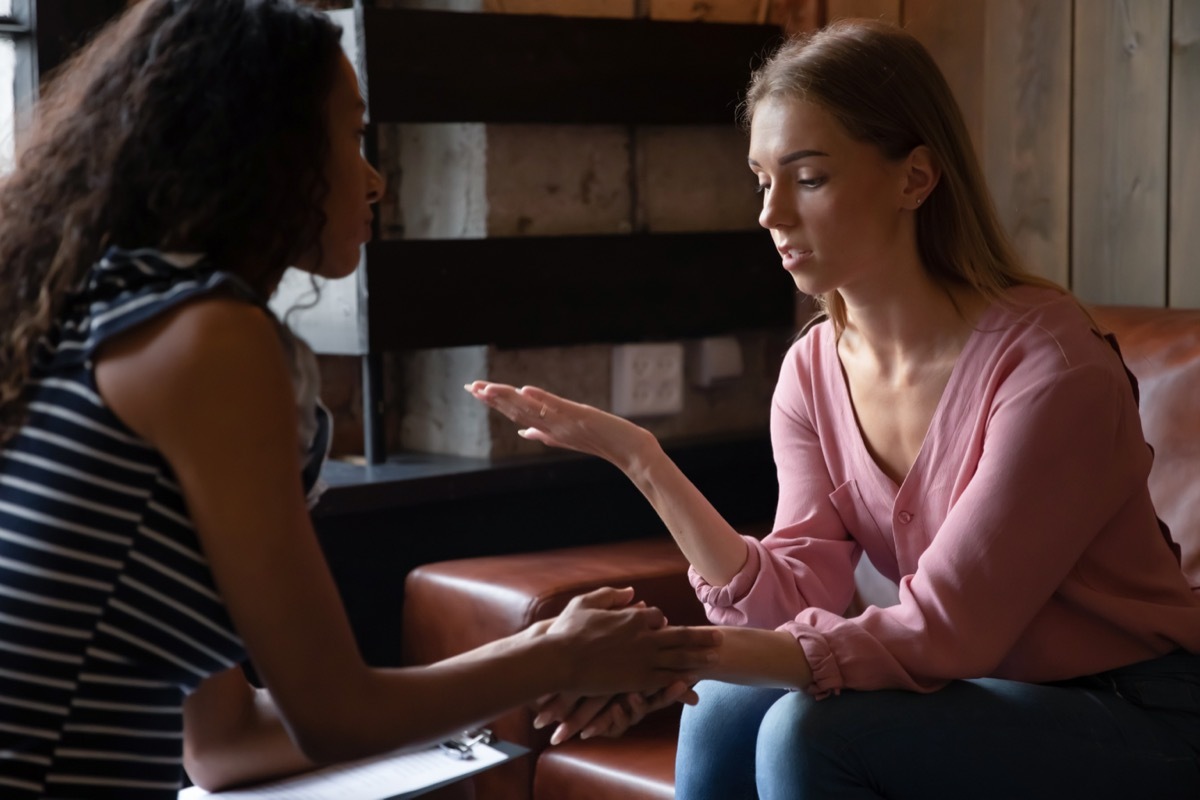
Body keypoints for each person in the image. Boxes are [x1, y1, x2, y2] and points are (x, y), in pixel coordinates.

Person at [0, 2, 722, 797]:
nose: (374, 178)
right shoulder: (209, 339)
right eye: (350, 136)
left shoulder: (101, 315)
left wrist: (533, 666)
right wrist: (557, 657)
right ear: (263, 151)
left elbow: (224, 742)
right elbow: (333, 714)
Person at [467, 18, 1200, 800]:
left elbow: (944, 631)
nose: (770, 214)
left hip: (1133, 713)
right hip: (979, 691)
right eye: (762, 180)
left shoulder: (1051, 370)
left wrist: (670, 655)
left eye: (808, 178)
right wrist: (642, 460)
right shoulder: (814, 367)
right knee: (724, 708)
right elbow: (791, 598)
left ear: (914, 179)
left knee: (806, 731)